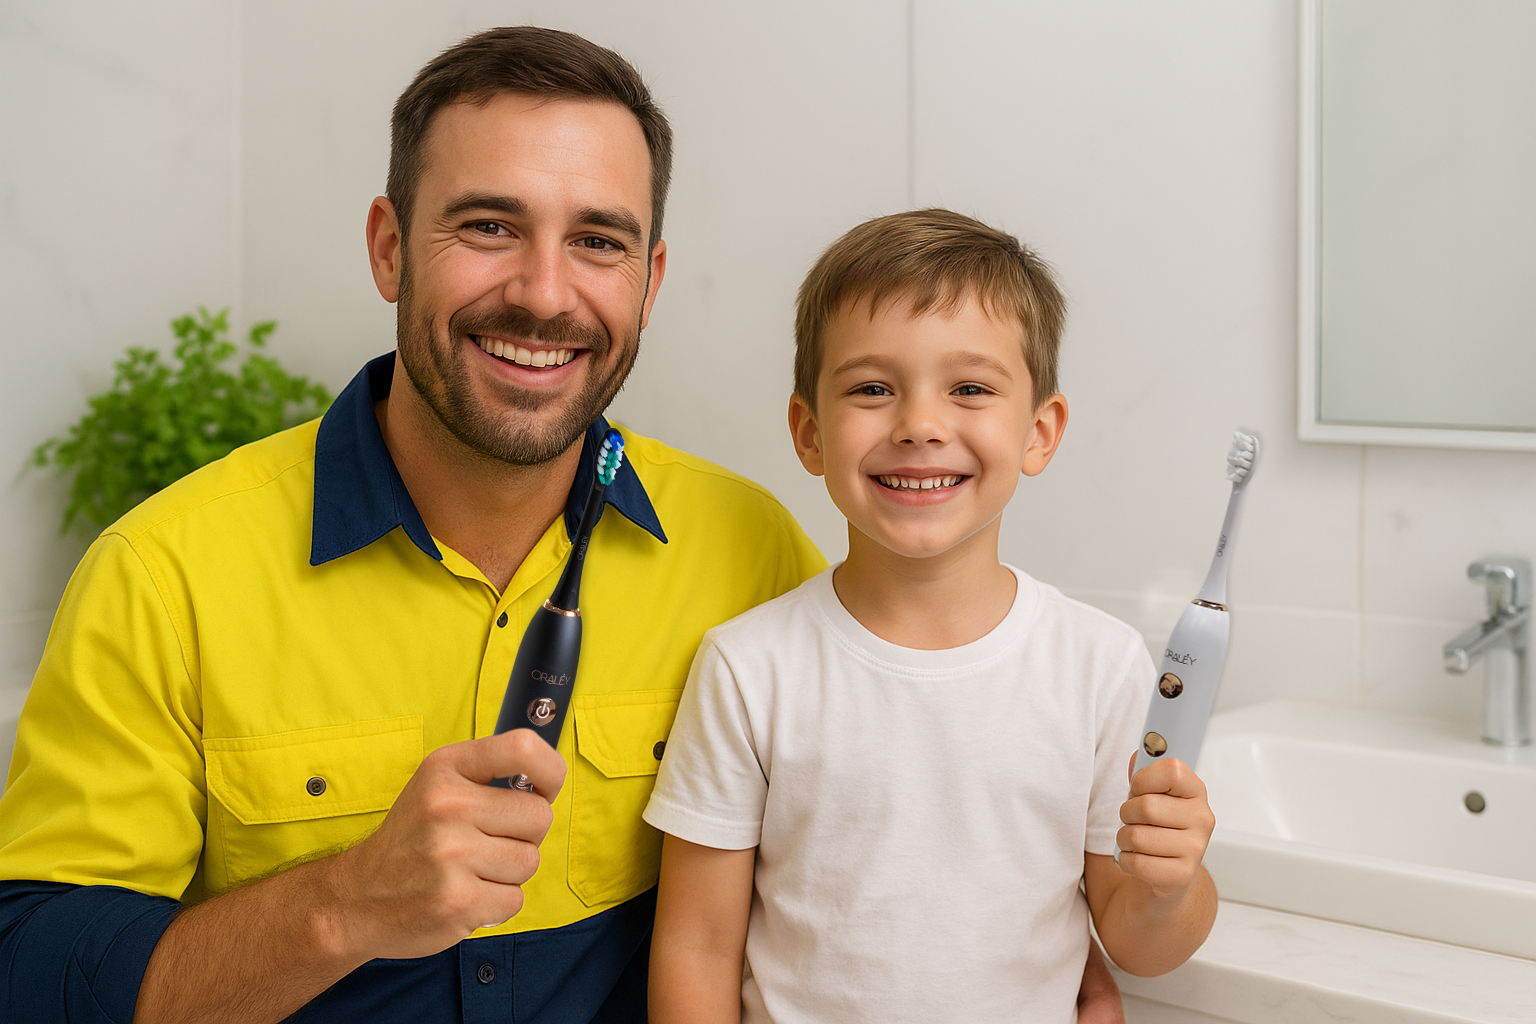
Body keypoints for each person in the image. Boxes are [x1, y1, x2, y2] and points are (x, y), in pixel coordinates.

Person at [0, 29, 1127, 1024]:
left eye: (598, 241)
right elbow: (32, 977)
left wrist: (1057, 953)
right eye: (489, 225)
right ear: (390, 246)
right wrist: (342, 905)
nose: (545, 292)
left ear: (649, 278)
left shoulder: (748, 549)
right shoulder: (164, 575)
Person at [645, 209, 1219, 1023]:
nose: (919, 424)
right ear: (810, 433)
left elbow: (1138, 945)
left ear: (1040, 431)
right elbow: (696, 948)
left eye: (971, 389)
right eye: (872, 388)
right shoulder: (749, 668)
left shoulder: (1100, 666)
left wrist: (1169, 887)